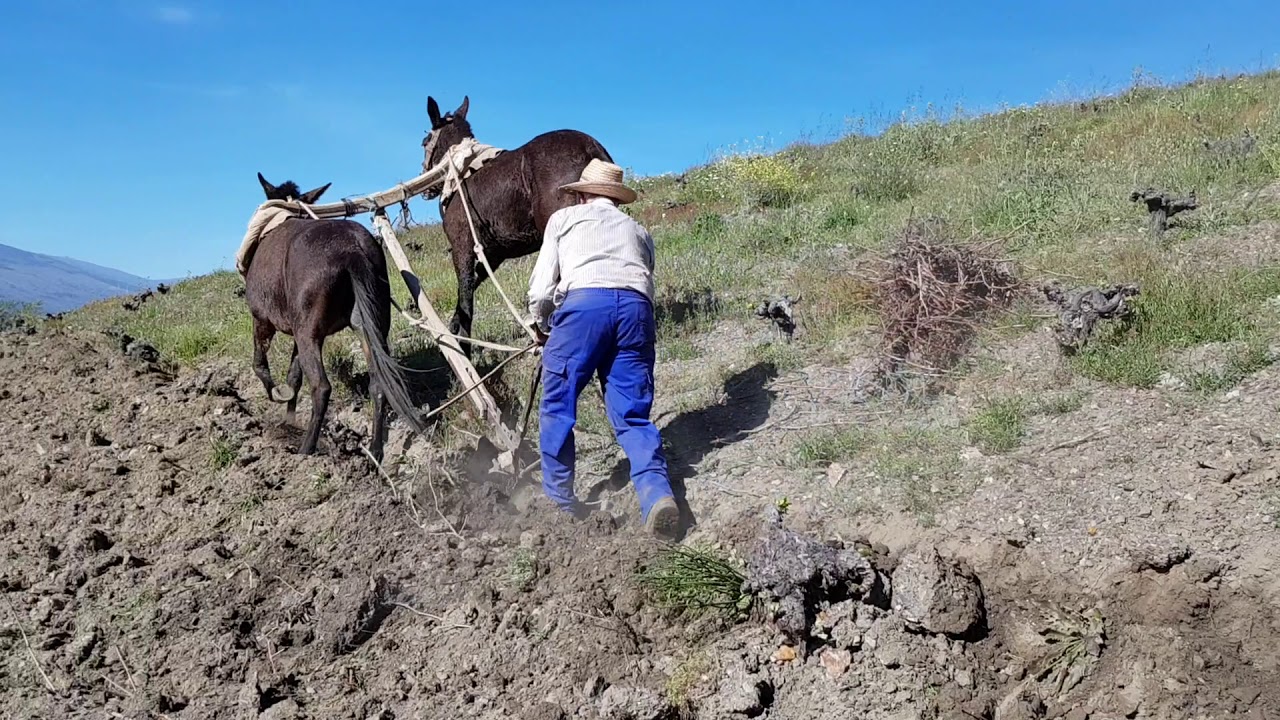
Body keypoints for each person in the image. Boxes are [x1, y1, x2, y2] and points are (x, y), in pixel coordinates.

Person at [526, 158, 680, 539]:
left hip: (583, 309)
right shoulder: (638, 230)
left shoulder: (563, 221)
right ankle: (657, 494)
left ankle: (560, 502)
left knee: (559, 405)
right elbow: (645, 276)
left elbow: (542, 291)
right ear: (615, 199)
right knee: (632, 414)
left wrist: (543, 325)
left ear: (579, 194)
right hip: (636, 311)